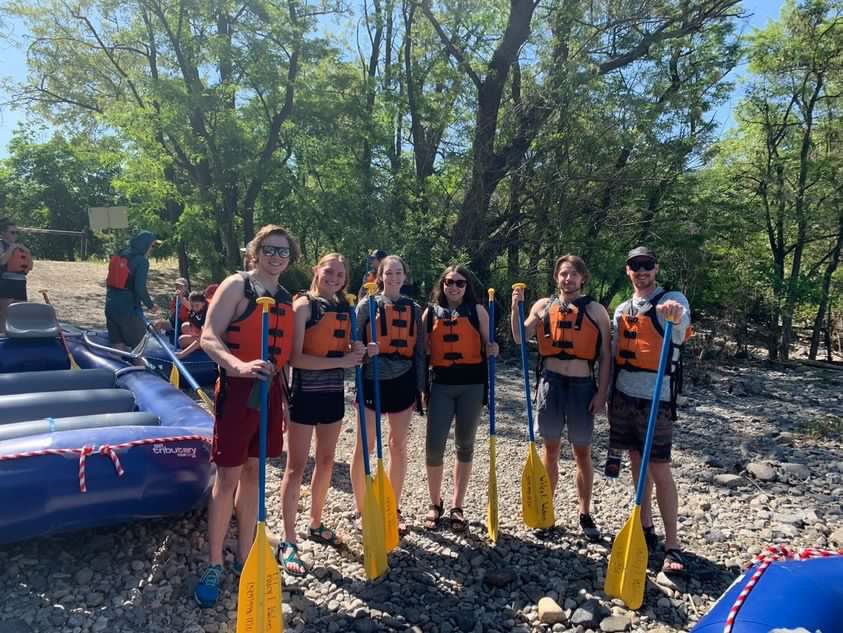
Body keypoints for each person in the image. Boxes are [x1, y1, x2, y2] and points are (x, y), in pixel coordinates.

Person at [194, 224, 299, 607]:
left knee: (255, 473)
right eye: (270, 249)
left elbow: (288, 353)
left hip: (269, 393)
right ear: (256, 251)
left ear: (290, 258)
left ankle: (246, 553)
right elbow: (208, 336)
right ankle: (215, 561)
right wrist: (236, 365)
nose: (276, 256)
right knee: (228, 476)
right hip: (238, 392)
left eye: (283, 252)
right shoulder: (237, 285)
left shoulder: (286, 297)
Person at [511, 255, 611, 541]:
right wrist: (514, 307)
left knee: (582, 452)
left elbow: (605, 357)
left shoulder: (597, 311)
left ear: (582, 279)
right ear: (557, 277)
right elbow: (520, 336)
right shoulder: (543, 306)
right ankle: (546, 508)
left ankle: (584, 511)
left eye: (574, 275)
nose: (568, 279)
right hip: (551, 384)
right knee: (550, 450)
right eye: (564, 274)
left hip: (582, 386)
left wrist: (601, 394)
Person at [277, 253, 365, 576]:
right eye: (329, 271)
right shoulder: (304, 306)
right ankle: (288, 540)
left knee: (326, 461)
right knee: (295, 468)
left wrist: (359, 353)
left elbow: (347, 353)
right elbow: (295, 359)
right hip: (304, 395)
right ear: (317, 270)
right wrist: (341, 363)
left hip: (332, 396)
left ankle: (315, 522)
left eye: (340, 274)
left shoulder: (346, 309)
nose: (334, 278)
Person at [609, 246, 691, 574]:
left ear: (656, 268)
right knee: (635, 463)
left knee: (659, 468)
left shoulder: (672, 300)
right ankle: (645, 527)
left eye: (647, 265)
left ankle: (673, 545)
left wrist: (675, 316)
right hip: (624, 397)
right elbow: (614, 352)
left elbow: (682, 331)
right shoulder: (622, 309)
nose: (641, 271)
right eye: (635, 266)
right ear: (628, 270)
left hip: (658, 399)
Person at [351, 255, 425, 533]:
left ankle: (391, 507)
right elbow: (352, 345)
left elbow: (420, 352)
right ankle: (361, 510)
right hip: (371, 380)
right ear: (380, 276)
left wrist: (421, 388)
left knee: (398, 445)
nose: (393, 277)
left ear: (405, 277)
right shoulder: (365, 305)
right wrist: (362, 352)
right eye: (388, 273)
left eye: (398, 273)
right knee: (365, 447)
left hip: (403, 380)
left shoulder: (414, 309)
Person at [422, 265, 498, 532]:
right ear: (442, 284)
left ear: (467, 286)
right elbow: (422, 352)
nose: (454, 286)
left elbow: (490, 345)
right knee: (434, 447)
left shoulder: (478, 311)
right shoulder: (430, 313)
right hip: (441, 385)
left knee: (465, 446)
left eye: (460, 282)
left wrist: (493, 348)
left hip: (472, 386)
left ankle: (457, 505)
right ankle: (435, 503)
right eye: (449, 281)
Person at [104, 230, 160, 350]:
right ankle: (140, 368)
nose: (152, 249)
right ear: (146, 245)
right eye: (152, 246)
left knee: (117, 344)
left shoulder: (120, 254)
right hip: (128, 310)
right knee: (138, 348)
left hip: (110, 307)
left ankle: (117, 367)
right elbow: (139, 287)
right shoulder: (142, 261)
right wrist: (151, 305)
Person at [0, 219, 32, 333]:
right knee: (5, 315)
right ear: (3, 233)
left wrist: (27, 252)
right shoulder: (1, 244)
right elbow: (2, 261)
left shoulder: (20, 247)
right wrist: (11, 248)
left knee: (20, 313)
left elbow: (29, 267)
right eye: (12, 232)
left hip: (20, 283)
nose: (15, 235)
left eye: (16, 232)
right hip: (6, 283)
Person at [176, 291, 208, 358]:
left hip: (208, 340)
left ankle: (200, 349)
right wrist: (180, 296)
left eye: (197, 306)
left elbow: (201, 339)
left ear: (203, 303)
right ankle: (194, 341)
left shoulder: (207, 316)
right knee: (184, 326)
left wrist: (182, 354)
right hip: (201, 333)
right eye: (192, 306)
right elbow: (187, 304)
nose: (194, 308)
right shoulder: (197, 308)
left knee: (181, 340)